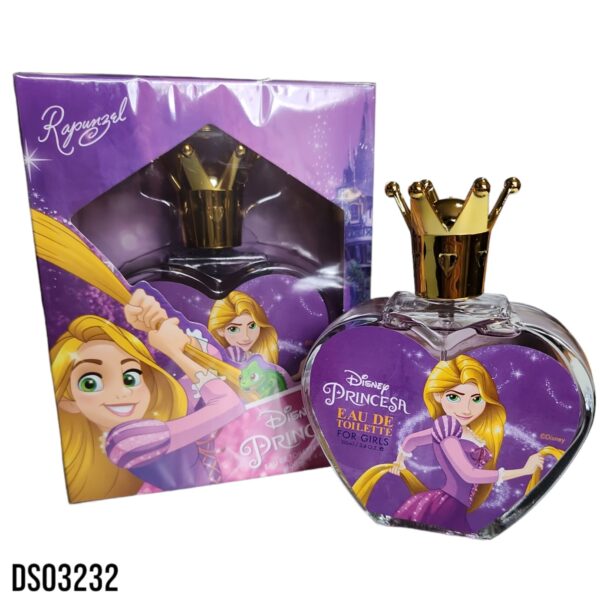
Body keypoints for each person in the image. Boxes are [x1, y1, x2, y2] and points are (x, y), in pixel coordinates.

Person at [51, 289, 244, 502]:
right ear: (69, 401)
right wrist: (174, 352)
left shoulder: (162, 414)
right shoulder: (126, 443)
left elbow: (211, 363)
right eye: (91, 383)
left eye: (130, 377)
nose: (122, 392)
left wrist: (162, 328)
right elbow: (228, 404)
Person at [388, 355, 544, 533]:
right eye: (454, 397)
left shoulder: (468, 431)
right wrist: (524, 471)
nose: (466, 409)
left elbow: (412, 440)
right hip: (445, 506)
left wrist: (400, 460)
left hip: (456, 507)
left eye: (476, 399)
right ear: (438, 395)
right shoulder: (447, 430)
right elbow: (469, 474)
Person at [208, 291, 279, 364]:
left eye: (252, 326)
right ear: (220, 330)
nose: (246, 337)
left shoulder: (261, 360)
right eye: (233, 329)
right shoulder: (214, 357)